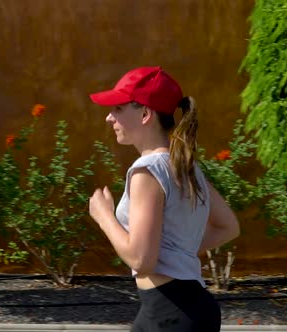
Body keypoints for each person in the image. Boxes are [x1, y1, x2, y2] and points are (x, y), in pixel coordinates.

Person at [88, 66, 240, 332]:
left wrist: (105, 217)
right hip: (190, 308)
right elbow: (229, 226)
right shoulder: (186, 167)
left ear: (145, 114)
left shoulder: (146, 171)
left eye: (119, 109)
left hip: (169, 313)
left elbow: (140, 260)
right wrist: (176, 252)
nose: (109, 118)